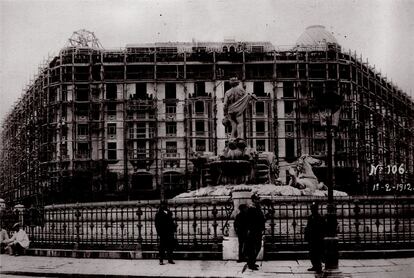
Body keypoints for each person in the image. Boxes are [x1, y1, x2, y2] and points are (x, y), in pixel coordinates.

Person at [245, 194, 266, 271]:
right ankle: (250, 263)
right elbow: (250, 220)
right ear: (253, 200)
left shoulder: (257, 208)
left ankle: (252, 262)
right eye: (257, 199)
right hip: (253, 231)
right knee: (254, 247)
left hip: (258, 230)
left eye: (258, 199)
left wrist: (266, 216)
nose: (258, 200)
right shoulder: (251, 209)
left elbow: (261, 219)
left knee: (257, 246)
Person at [304, 202, 326, 273]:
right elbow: (308, 227)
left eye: (313, 209)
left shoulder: (320, 218)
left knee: (317, 252)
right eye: (311, 209)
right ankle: (315, 265)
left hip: (318, 238)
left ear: (316, 209)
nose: (312, 210)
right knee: (312, 253)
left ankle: (318, 266)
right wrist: (306, 237)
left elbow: (323, 228)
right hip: (312, 238)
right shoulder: (310, 217)